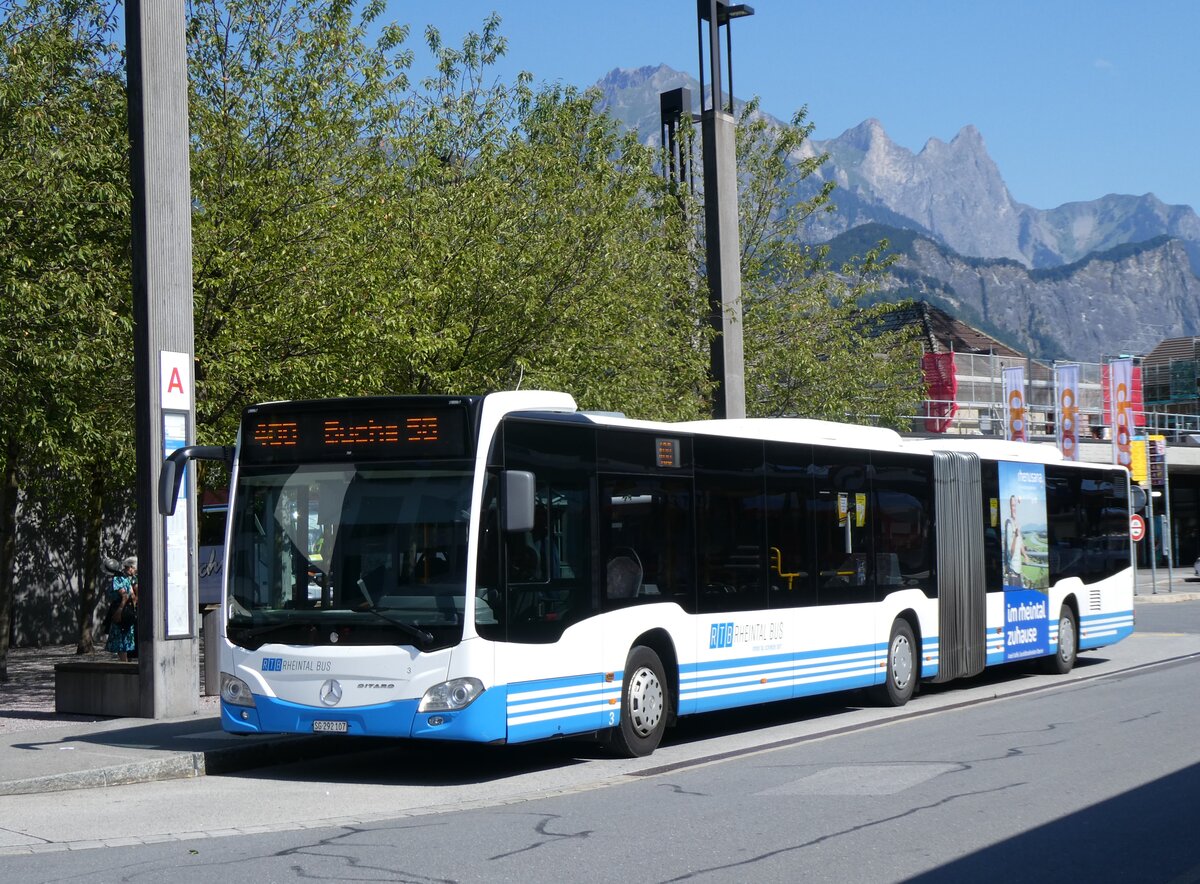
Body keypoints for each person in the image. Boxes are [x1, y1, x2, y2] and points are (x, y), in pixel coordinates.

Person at [106, 556, 138, 661]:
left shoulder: (117, 579)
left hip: (120, 608)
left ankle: (125, 664)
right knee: (127, 638)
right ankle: (127, 662)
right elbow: (133, 596)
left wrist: (119, 610)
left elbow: (124, 596)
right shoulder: (126, 579)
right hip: (128, 611)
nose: (135, 571)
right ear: (130, 568)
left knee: (120, 641)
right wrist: (133, 610)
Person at [1003, 496, 1025, 589]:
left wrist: (1025, 555)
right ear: (1009, 507)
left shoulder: (1017, 523)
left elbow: (1020, 543)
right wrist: (1016, 536)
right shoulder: (1009, 524)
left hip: (1019, 572)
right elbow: (1010, 552)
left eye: (1015, 505)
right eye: (1012, 506)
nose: (1014, 508)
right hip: (1013, 573)